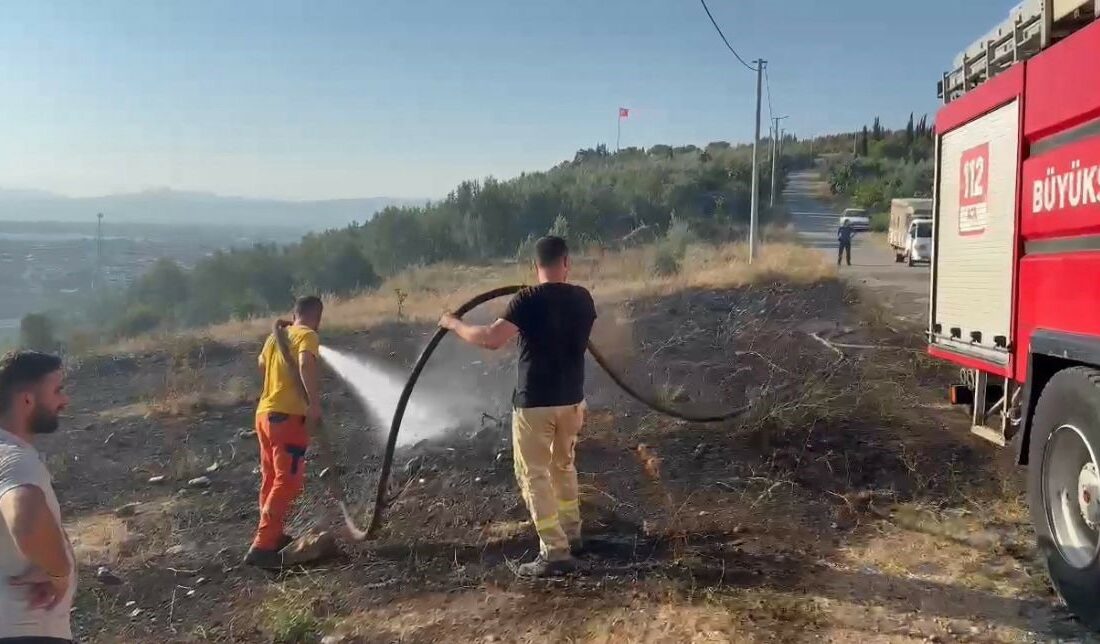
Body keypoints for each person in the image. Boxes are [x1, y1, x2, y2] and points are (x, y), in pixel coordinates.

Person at [439, 236, 597, 578]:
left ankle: (555, 553)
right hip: (572, 401)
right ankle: (572, 534)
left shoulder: (527, 299)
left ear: (535, 266)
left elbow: (490, 339)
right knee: (564, 466)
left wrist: (453, 324)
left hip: (536, 403)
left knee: (534, 474)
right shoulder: (584, 299)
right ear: (566, 262)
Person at [0, 351, 75, 643]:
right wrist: (59, 573)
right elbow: (26, 519)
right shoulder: (12, 458)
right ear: (27, 400)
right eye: (56, 391)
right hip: (25, 629)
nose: (64, 401)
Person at [245, 295, 323, 569]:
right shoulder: (307, 335)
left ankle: (273, 535)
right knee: (287, 481)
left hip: (264, 415)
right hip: (288, 418)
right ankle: (263, 544)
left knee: (271, 479)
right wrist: (313, 404)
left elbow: (261, 365)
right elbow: (304, 363)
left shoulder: (275, 337)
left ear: (295, 312)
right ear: (317, 316)